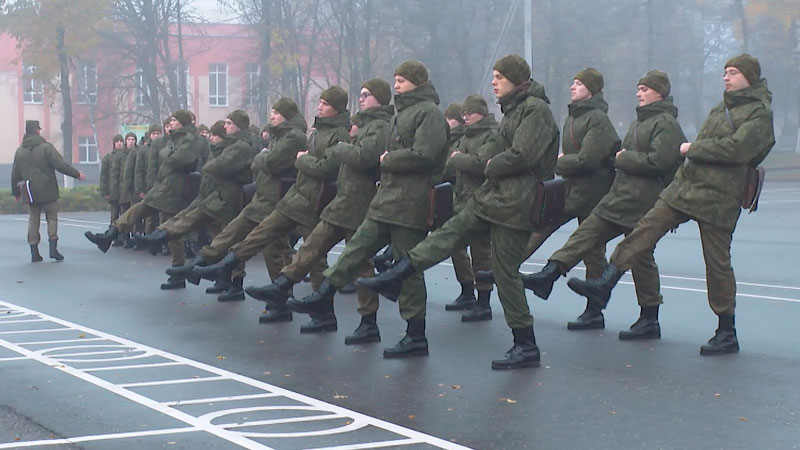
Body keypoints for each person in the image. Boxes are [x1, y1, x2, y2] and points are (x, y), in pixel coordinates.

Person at [356, 55, 559, 369]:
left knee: (505, 275)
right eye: (494, 76)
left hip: (516, 203)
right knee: (448, 234)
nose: (494, 81)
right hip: (494, 198)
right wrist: (486, 160)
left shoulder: (535, 110)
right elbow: (494, 150)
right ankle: (397, 274)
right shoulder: (515, 110)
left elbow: (522, 155)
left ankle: (526, 344)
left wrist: (491, 164)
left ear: (517, 80)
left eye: (500, 77)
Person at [568, 54, 775, 355]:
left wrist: (693, 148)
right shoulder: (723, 107)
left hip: (719, 196)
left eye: (733, 72)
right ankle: (606, 281)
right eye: (725, 72)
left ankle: (726, 329)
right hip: (687, 188)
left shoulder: (759, 113)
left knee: (716, 263)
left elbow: (738, 150)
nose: (726, 77)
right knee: (645, 229)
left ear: (750, 77)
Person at [283, 60, 448, 357]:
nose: (397, 85)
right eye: (395, 80)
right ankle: (324, 294)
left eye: (402, 80)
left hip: (410, 203)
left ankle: (415, 333)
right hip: (387, 199)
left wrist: (389, 159)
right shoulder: (403, 114)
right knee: (355, 249)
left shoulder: (430, 114)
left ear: (418, 83)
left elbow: (425, 156)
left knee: (406, 268)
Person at [523, 70, 685, 336]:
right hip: (621, 195)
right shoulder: (640, 122)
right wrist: (618, 158)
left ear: (660, 93)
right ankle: (550, 274)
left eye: (645, 89)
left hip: (645, 200)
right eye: (639, 88)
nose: (639, 93)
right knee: (587, 235)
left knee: (641, 257)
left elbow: (659, 162)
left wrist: (622, 158)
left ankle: (649, 316)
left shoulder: (665, 123)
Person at [244, 79, 394, 344]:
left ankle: (368, 322)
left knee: (360, 264)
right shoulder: (363, 125)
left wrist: (339, 148)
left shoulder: (379, 126)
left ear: (379, 99)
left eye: (366, 95)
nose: (361, 98)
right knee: (311, 247)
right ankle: (283, 287)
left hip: (359, 203)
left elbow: (363, 157)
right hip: (343, 200)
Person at [193, 86, 351, 332]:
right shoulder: (316, 132)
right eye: (319, 102)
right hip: (297, 198)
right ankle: (231, 266)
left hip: (316, 202)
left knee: (314, 258)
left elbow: (325, 168)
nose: (319, 106)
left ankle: (324, 313)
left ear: (337, 108)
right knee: (266, 236)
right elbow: (268, 162)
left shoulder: (335, 133)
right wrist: (299, 160)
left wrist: (302, 159)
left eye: (325, 103)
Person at [168, 98, 306, 319]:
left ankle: (214, 266)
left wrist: (263, 158)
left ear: (287, 116)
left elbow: (269, 163)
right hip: (264, 198)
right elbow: (261, 163)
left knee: (274, 248)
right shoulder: (280, 136)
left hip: (277, 200)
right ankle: (209, 264)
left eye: (276, 112)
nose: (272, 116)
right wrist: (263, 158)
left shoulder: (293, 137)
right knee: (259, 243)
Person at [136, 114, 256, 292]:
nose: (215, 136)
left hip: (225, 200)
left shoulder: (237, 147)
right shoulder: (220, 150)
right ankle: (219, 279)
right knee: (218, 238)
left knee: (228, 241)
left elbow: (218, 169)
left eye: (229, 125)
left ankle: (230, 281)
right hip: (212, 198)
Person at [84, 109, 205, 273]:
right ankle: (110, 234)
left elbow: (177, 159)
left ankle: (179, 269)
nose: (172, 123)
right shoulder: (175, 140)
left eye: (175, 120)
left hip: (176, 189)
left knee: (172, 230)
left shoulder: (189, 140)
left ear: (183, 123)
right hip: (164, 186)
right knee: (139, 210)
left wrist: (166, 152)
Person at [442, 94, 497, 321]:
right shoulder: (466, 137)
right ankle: (467, 290)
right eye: (463, 114)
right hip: (462, 200)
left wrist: (457, 158)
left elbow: (480, 165)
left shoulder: (491, 136)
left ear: (480, 114)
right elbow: (450, 167)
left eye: (468, 114)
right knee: (455, 246)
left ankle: (483, 301)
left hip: (481, 201)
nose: (465, 118)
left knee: (481, 252)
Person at [11, 120, 85, 262]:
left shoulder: (19, 151)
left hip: (29, 190)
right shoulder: (46, 147)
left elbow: (15, 173)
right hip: (48, 189)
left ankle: (34, 252)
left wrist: (16, 192)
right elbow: (60, 165)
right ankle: (53, 248)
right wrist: (77, 174)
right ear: (37, 130)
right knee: (51, 217)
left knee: (33, 219)